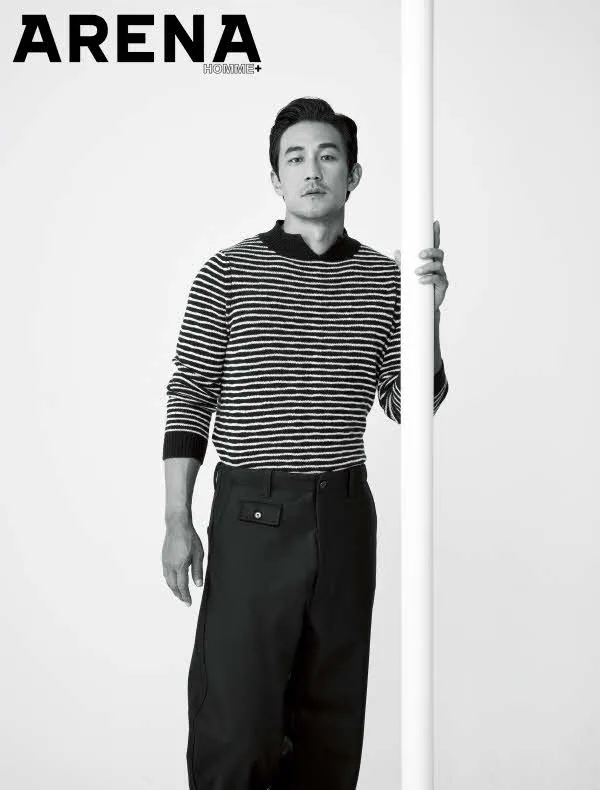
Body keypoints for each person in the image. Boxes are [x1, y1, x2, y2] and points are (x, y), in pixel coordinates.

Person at [161, 96, 449, 790]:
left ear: (354, 174)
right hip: (253, 514)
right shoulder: (227, 273)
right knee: (237, 729)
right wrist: (177, 519)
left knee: (328, 733)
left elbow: (408, 405)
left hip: (344, 514)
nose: (312, 171)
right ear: (276, 178)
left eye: (327, 156)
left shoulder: (384, 280)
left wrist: (429, 315)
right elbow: (189, 394)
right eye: (295, 158)